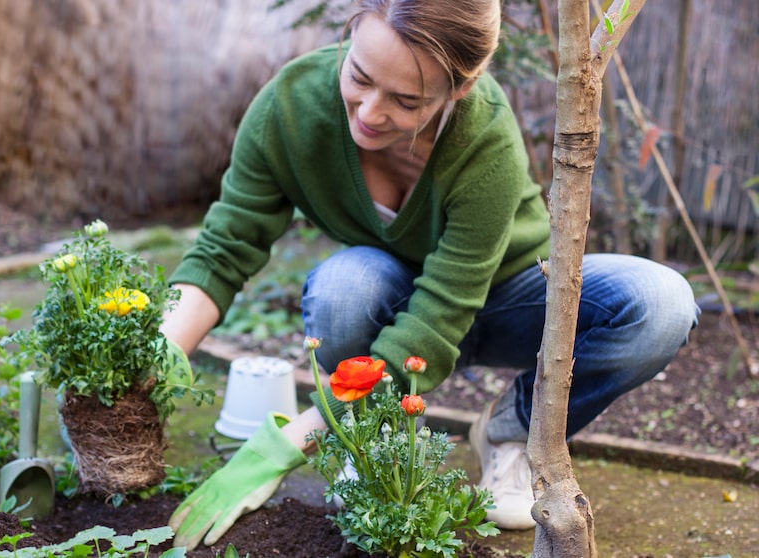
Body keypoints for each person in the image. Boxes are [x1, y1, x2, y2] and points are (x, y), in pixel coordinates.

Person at [160, 0, 699, 549]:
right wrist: (156, 357)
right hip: (393, 302)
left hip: (508, 296)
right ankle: (374, 437)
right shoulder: (291, 108)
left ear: (458, 90)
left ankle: (509, 431)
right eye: (359, 77)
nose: (370, 112)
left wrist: (287, 443)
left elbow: (440, 314)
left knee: (661, 304)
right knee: (346, 287)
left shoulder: (481, 132)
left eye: (406, 100)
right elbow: (225, 247)